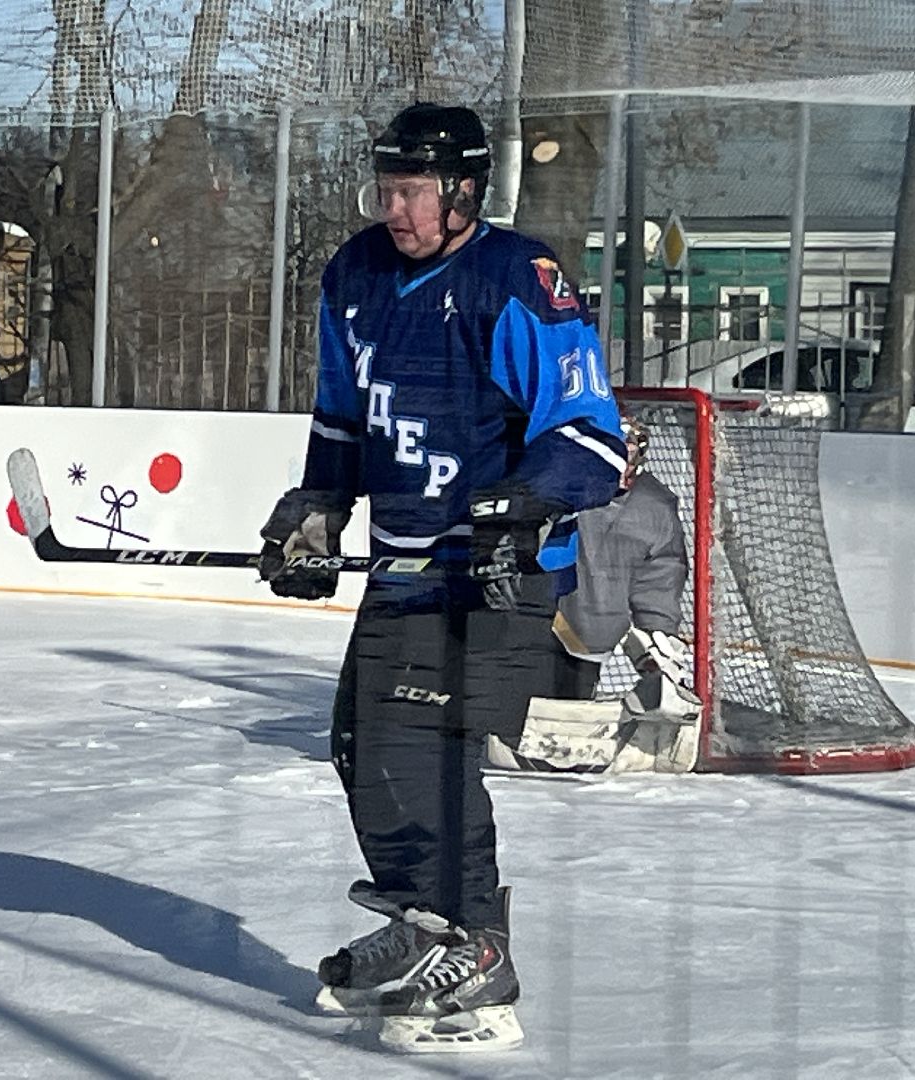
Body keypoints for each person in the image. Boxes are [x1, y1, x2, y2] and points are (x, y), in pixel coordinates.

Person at [256, 102, 624, 1053]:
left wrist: (523, 504)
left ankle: (477, 950)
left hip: (496, 576)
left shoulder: (516, 280)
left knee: (421, 749)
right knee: (358, 742)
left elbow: (592, 441)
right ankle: (426, 926)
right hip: (407, 565)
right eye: (386, 188)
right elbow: (342, 423)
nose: (396, 209)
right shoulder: (355, 275)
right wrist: (317, 511)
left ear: (465, 189)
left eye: (414, 190)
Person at [552, 414, 690, 701]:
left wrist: (658, 636)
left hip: (590, 641)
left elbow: (659, 579)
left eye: (631, 457)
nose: (625, 468)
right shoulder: (557, 490)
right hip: (534, 629)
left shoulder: (655, 507)